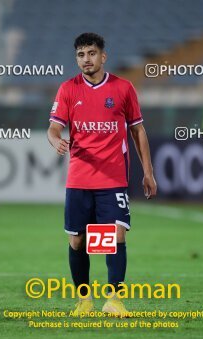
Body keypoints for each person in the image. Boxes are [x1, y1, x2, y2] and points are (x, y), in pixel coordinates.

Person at [47, 32, 157, 316]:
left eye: (92, 53)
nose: (86, 59)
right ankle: (84, 300)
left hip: (112, 178)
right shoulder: (68, 89)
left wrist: (148, 171)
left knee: (112, 236)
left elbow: (138, 130)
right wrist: (55, 139)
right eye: (81, 55)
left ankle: (114, 299)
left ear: (103, 56)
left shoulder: (123, 88)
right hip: (79, 178)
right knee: (78, 240)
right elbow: (54, 127)